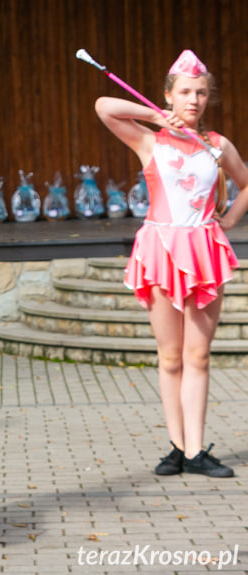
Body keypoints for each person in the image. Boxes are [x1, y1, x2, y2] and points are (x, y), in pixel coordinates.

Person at [96, 50, 248, 478]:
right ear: (170, 95)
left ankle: (197, 451)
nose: (194, 100)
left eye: (200, 92)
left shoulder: (217, 146)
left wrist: (230, 220)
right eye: (184, 92)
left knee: (198, 356)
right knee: (170, 357)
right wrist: (157, 117)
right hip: (161, 250)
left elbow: (246, 183)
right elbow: (104, 106)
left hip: (203, 250)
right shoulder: (149, 141)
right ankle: (177, 448)